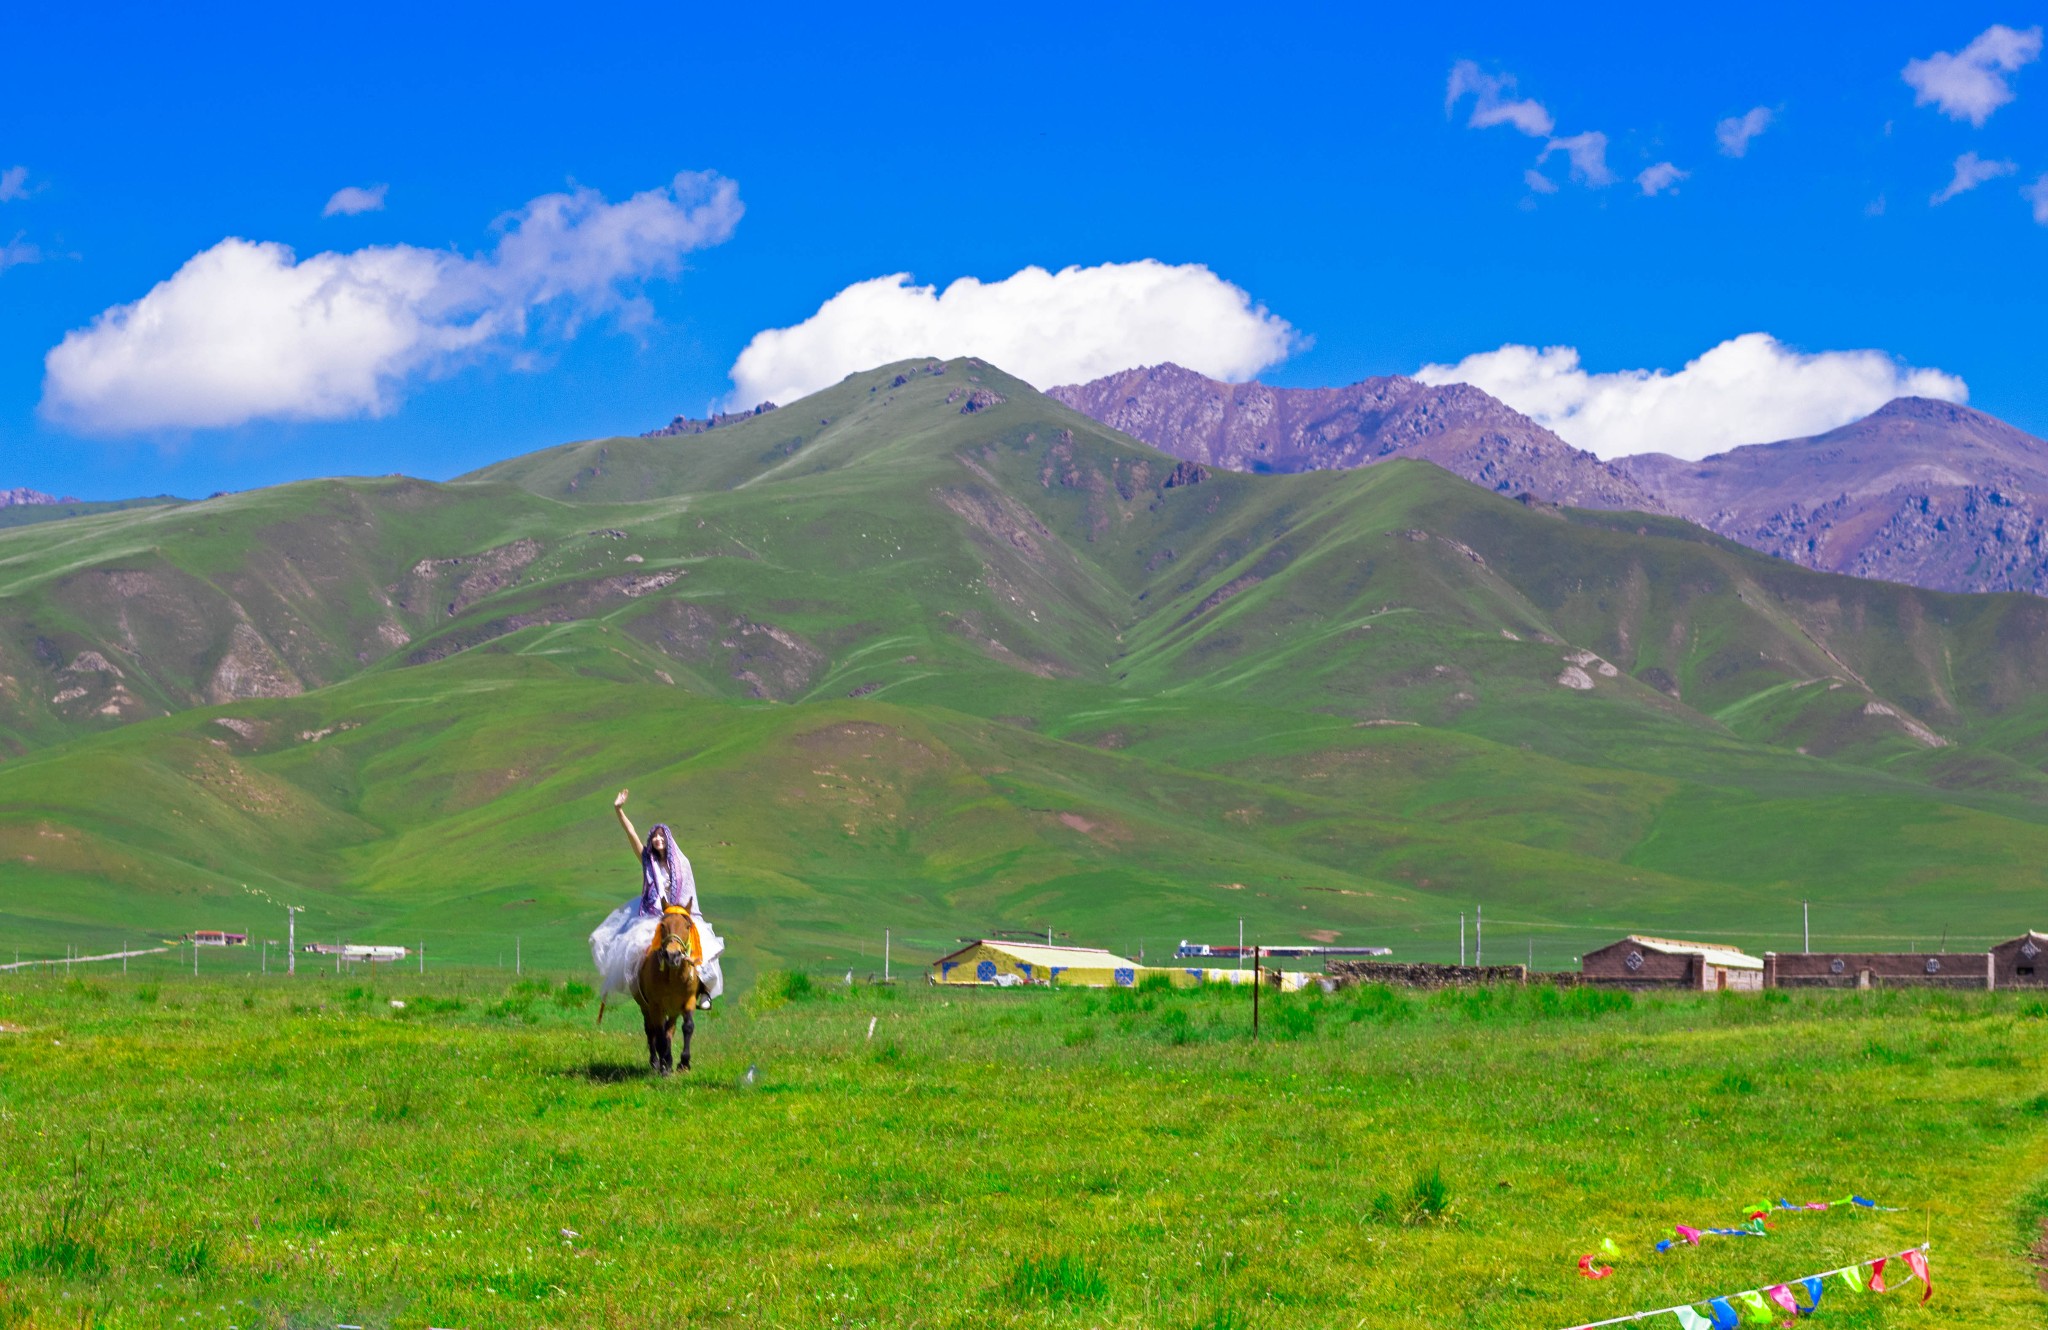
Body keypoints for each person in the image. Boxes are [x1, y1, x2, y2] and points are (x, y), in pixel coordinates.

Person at [587, 789, 725, 1007]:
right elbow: (631, 833)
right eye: (654, 836)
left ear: (668, 839)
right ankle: (643, 992)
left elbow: (688, 894)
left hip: (679, 915)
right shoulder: (646, 860)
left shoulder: (682, 864)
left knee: (705, 947)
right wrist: (618, 810)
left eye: (662, 836)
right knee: (635, 949)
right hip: (653, 915)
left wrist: (683, 916)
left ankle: (704, 991)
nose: (658, 839)